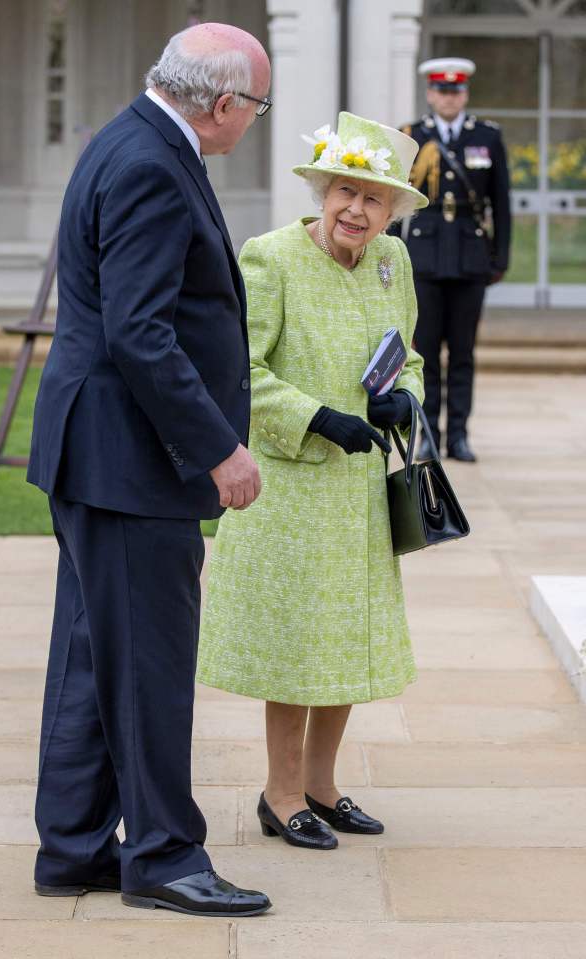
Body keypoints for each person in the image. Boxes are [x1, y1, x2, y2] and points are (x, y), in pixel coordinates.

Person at [26, 23, 272, 917]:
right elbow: (140, 331)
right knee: (150, 667)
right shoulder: (148, 163)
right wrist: (218, 447)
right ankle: (165, 856)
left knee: (95, 661)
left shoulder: (128, 137)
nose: (252, 119)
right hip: (127, 460)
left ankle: (73, 847)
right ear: (220, 103)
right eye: (254, 104)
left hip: (100, 454)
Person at [196, 112, 427, 849]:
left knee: (346, 643)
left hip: (360, 494)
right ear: (322, 190)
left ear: (391, 211)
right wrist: (316, 416)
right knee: (296, 647)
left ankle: (323, 788)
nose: (356, 212)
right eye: (344, 193)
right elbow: (240, 371)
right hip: (291, 488)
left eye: (373, 200)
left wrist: (406, 397)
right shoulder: (269, 258)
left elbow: (409, 355)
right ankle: (280, 791)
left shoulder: (393, 260)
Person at [389, 57, 511, 462]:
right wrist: (387, 255)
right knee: (423, 354)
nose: (448, 97)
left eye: (455, 91)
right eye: (441, 90)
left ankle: (459, 434)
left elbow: (502, 204)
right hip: (423, 256)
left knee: (462, 353)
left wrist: (500, 257)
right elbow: (396, 199)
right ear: (430, 94)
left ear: (465, 94)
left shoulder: (487, 137)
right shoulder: (412, 136)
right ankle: (428, 433)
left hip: (470, 257)